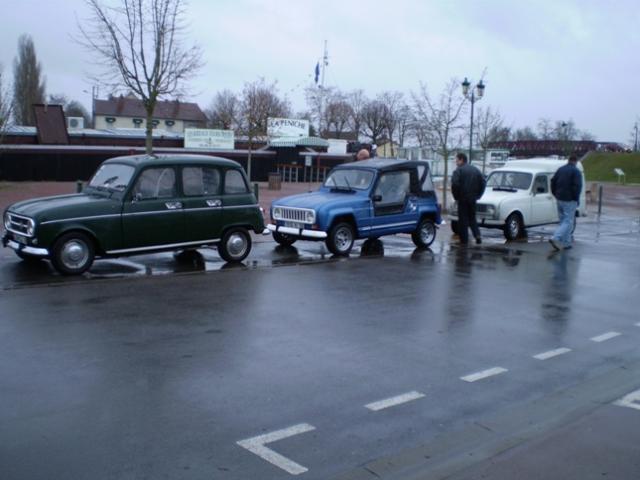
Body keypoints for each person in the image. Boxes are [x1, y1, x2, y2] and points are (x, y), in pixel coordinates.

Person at [451, 152, 486, 245]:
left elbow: (454, 184)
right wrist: (478, 195)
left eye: (457, 160)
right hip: (473, 199)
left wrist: (456, 196)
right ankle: (477, 235)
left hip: (462, 198)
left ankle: (464, 241)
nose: (456, 162)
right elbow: (483, 182)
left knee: (463, 221)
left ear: (462, 160)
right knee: (472, 218)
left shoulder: (458, 171)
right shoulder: (476, 170)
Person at [549, 155, 582, 251]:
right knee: (568, 221)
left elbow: (553, 181)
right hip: (570, 199)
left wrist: (555, 193)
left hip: (559, 198)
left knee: (563, 221)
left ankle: (566, 242)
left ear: (568, 160)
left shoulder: (560, 169)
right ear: (576, 161)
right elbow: (577, 186)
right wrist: (576, 199)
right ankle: (555, 238)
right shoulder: (576, 172)